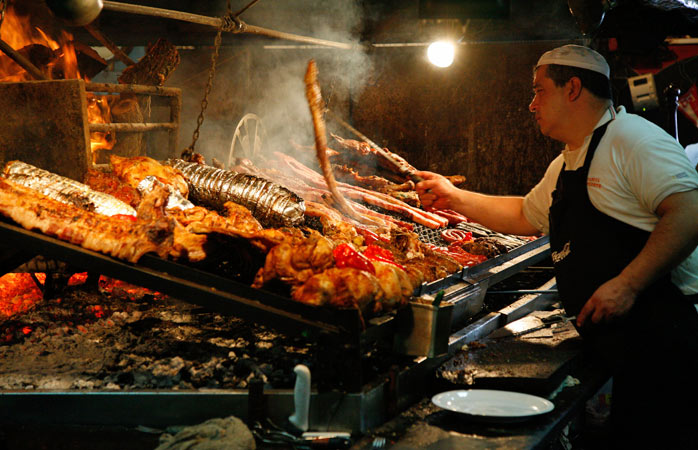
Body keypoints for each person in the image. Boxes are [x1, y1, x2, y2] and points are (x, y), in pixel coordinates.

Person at [416, 44, 698, 449]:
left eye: (538, 90)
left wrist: (627, 285)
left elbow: (689, 211)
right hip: (622, 343)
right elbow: (525, 216)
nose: (531, 105)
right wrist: (452, 197)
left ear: (573, 88)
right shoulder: (569, 160)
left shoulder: (632, 139)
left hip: (666, 343)